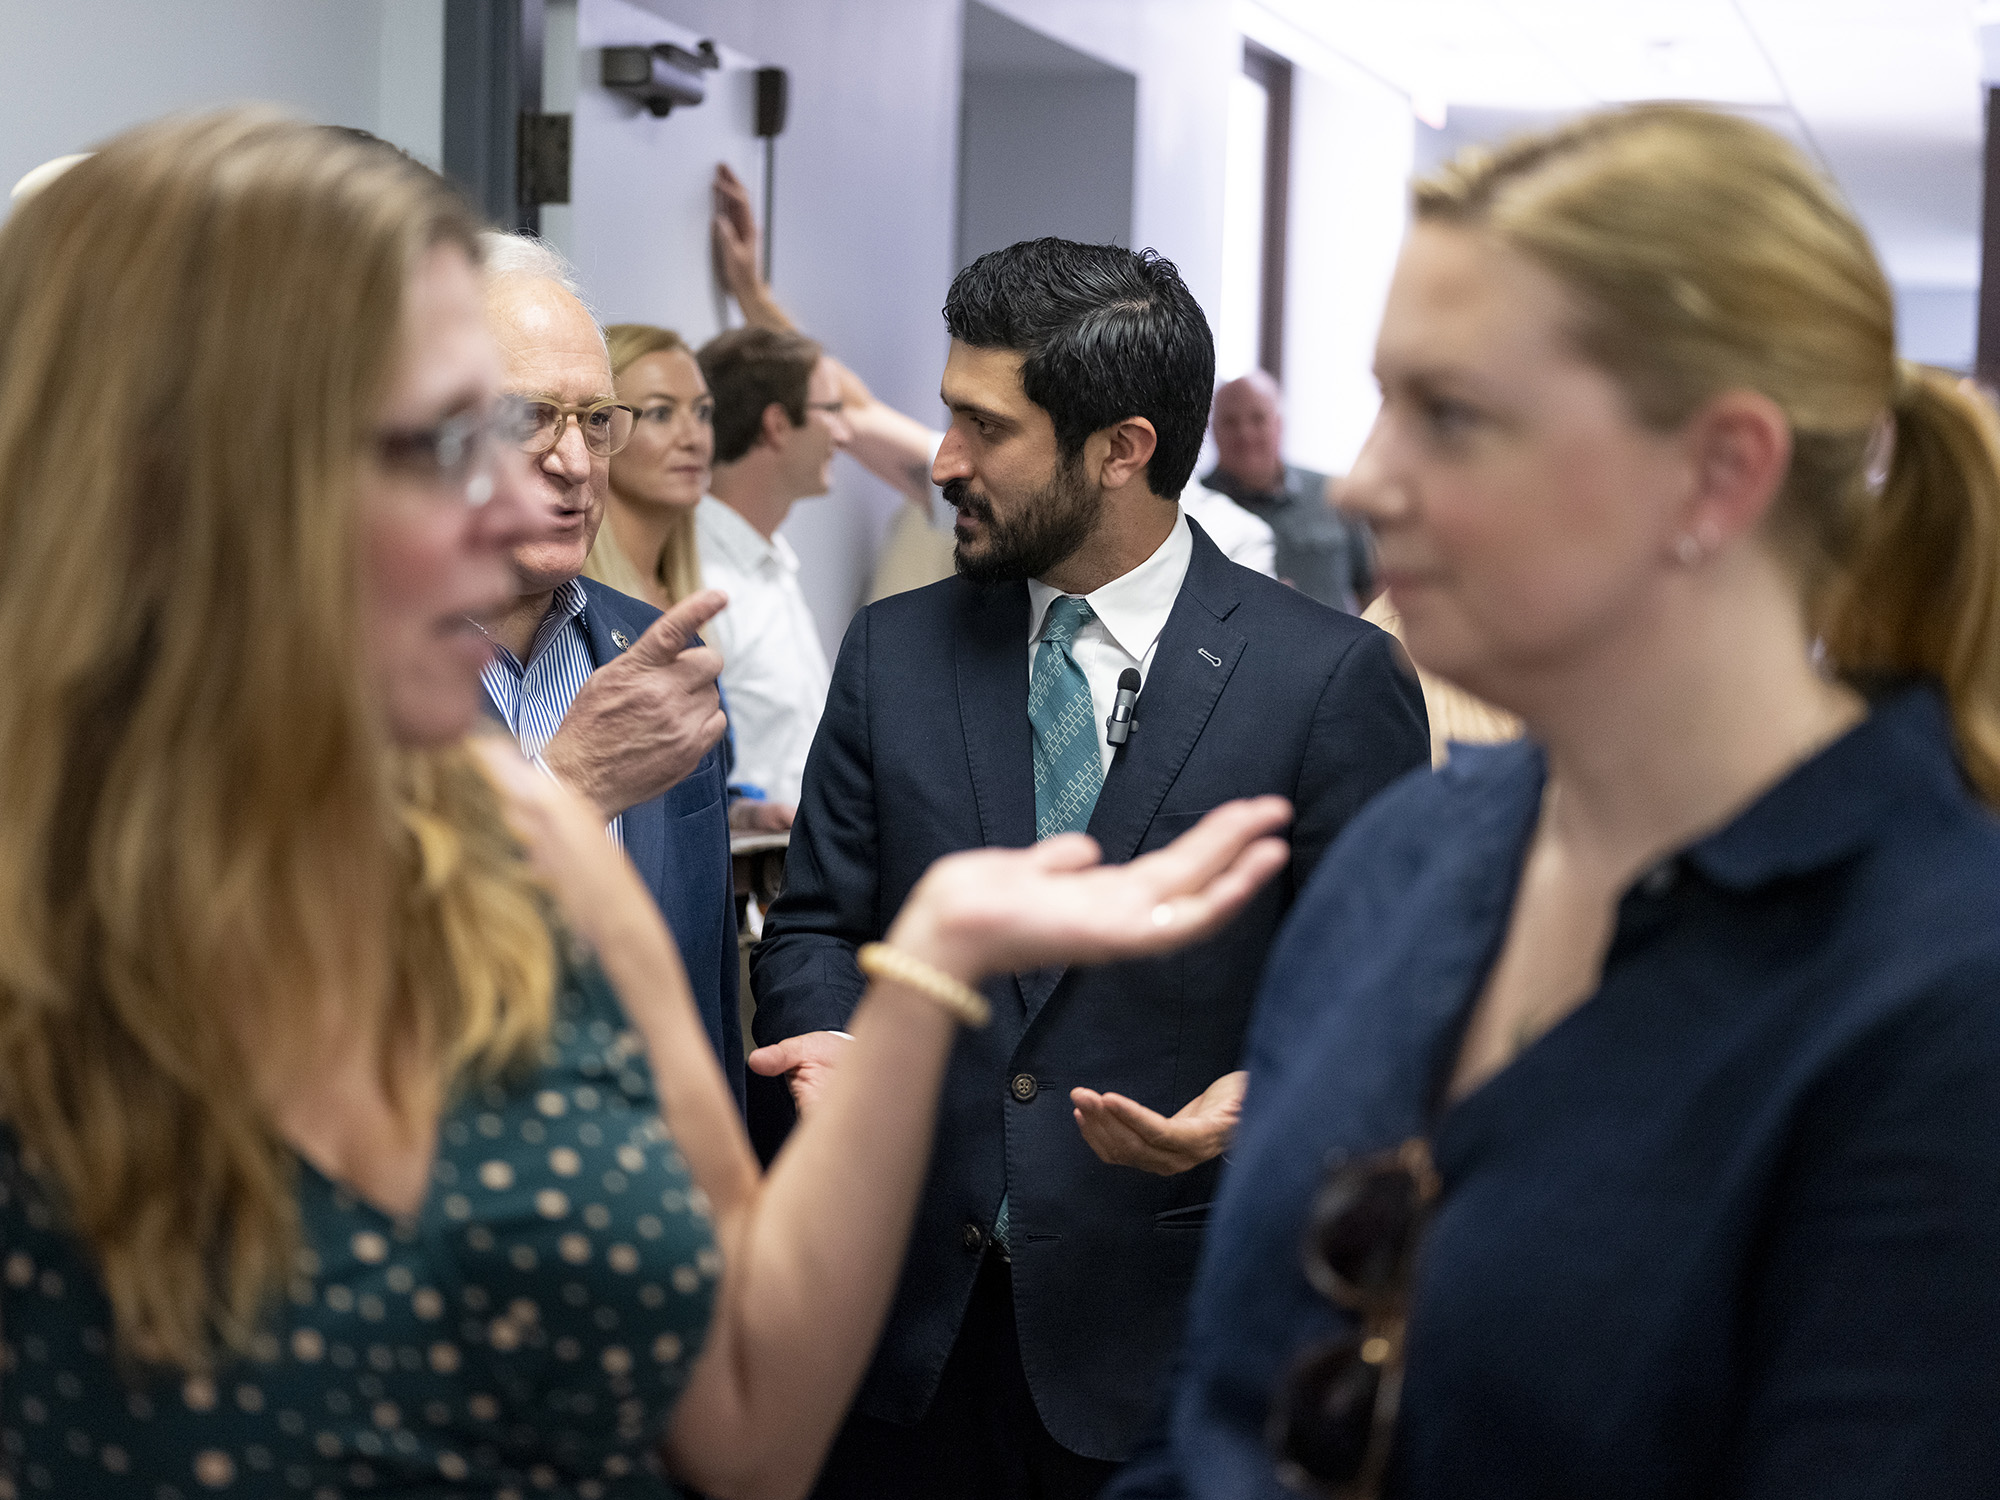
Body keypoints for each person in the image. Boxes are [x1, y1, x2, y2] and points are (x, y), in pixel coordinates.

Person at [0, 108, 1293, 1500]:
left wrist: (931, 973)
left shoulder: (540, 830)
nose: (543, 497)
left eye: (583, 425)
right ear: (197, 469)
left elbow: (748, 1426)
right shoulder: (49, 871)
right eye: (447, 441)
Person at [1111, 104, 2000, 1500]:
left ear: (1720, 473)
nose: (1377, 482)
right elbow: (1218, 1409)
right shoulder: (1408, 859)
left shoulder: (1940, 989)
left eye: (1451, 416)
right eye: (1386, 401)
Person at [750, 237, 1430, 1499]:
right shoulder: (893, 652)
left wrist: (1258, 1100)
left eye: (980, 426)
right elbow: (816, 929)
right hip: (900, 1347)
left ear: (1120, 448)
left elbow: (1383, 1015)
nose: (941, 459)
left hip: (1162, 1346)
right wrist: (834, 1045)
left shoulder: (1326, 684)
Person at [477, 234, 749, 1105]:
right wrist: (567, 789)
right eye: (529, 419)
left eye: (596, 421)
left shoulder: (661, 661)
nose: (574, 462)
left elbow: (705, 996)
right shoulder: (319, 671)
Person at [694, 325, 851, 811]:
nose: (843, 435)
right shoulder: (700, 579)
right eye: (832, 412)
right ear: (778, 424)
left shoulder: (771, 560)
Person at [1202, 370, 1376, 612]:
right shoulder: (1191, 507)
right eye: (1230, 421)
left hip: (1333, 648)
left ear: (1279, 424)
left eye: (1257, 418)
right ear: (1211, 430)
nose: (1245, 433)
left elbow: (1373, 589)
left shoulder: (1333, 494)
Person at [584, 323, 711, 611]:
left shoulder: (690, 596)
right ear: (599, 426)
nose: (695, 439)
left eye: (703, 412)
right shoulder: (569, 603)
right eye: (661, 413)